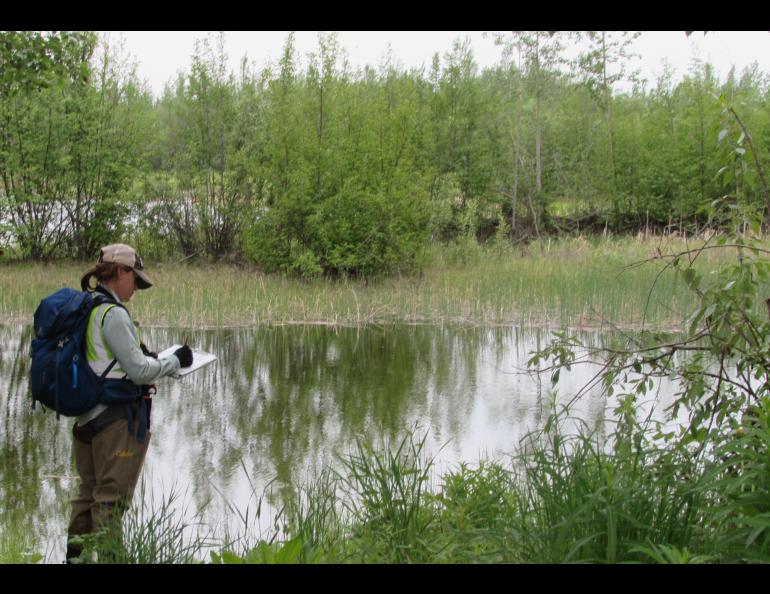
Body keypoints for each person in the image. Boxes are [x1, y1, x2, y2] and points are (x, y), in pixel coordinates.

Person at [65, 243, 193, 563]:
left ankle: (74, 559)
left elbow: (106, 362)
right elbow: (138, 371)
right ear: (120, 271)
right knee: (111, 501)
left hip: (85, 419)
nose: (135, 286)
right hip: (114, 422)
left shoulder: (87, 306)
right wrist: (175, 360)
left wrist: (148, 357)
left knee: (86, 497)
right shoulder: (113, 313)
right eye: (134, 279)